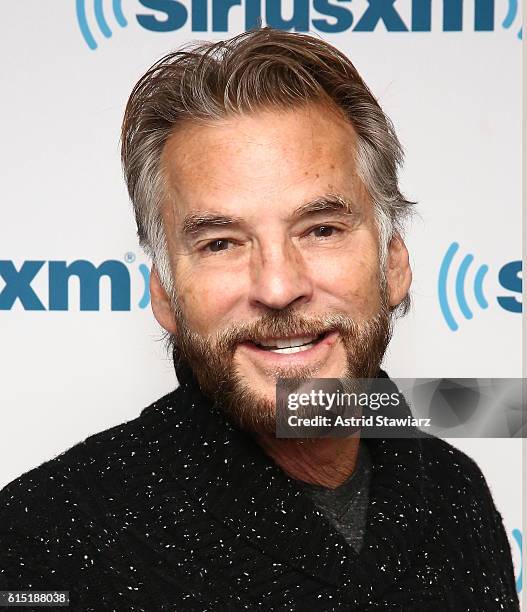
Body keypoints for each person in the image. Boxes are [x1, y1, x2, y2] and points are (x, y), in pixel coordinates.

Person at [0, 28, 518, 611]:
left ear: (394, 263)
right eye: (221, 242)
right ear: (165, 294)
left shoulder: (455, 492)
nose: (278, 287)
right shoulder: (43, 538)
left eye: (321, 230)